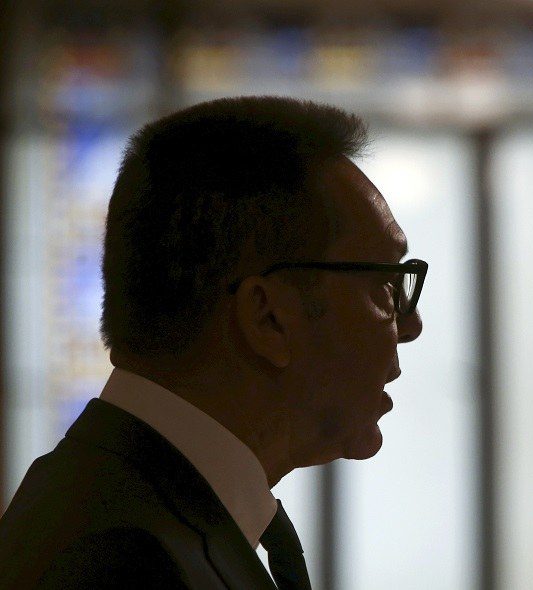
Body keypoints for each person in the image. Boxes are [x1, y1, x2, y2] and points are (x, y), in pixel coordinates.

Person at [0, 96, 425, 589]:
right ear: (268, 318)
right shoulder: (120, 562)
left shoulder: (124, 503)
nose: (410, 325)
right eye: (383, 285)